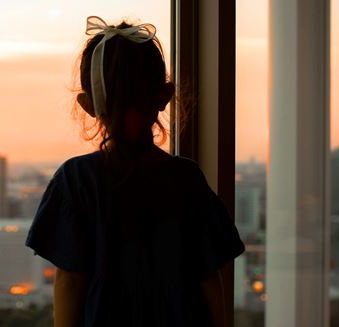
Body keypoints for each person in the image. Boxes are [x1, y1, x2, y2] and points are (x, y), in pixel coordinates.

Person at [25, 16, 245, 327]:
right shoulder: (186, 180)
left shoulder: (76, 180)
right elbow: (209, 279)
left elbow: (70, 282)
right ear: (165, 96)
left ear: (87, 105)